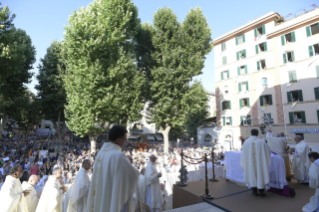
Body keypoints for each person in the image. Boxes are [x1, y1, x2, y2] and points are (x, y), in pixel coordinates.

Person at [86, 125, 139, 212]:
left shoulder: (100, 154)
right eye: (125, 139)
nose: (125, 142)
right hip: (110, 197)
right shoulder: (118, 156)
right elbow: (133, 176)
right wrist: (129, 163)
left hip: (102, 195)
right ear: (118, 140)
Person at [240, 129, 271, 197]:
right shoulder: (261, 141)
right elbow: (268, 151)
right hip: (260, 163)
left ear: (251, 133)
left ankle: (254, 191)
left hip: (250, 163)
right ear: (257, 133)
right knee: (260, 174)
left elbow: (243, 153)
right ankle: (261, 192)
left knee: (252, 174)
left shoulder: (246, 142)